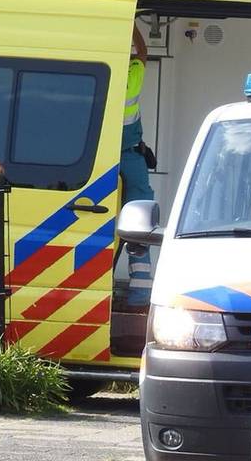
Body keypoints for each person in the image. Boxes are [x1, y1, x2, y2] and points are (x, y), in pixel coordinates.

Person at [119, 26, 154, 309]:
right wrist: (132, 25)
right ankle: (140, 293)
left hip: (101, 162)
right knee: (139, 221)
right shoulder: (130, 79)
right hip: (130, 159)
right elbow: (143, 53)